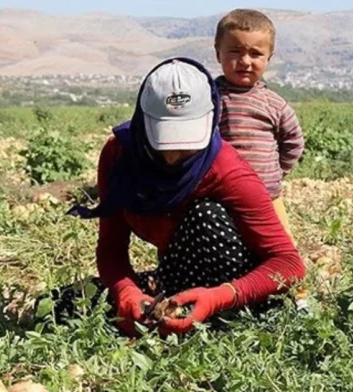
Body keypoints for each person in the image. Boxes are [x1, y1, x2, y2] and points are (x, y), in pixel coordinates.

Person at [65, 57, 305, 337]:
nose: (173, 157)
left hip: (237, 286)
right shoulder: (120, 156)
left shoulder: (226, 169)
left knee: (206, 215)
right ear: (143, 123)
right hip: (178, 276)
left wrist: (220, 296)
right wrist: (127, 292)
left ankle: (216, 322)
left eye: (186, 146)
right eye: (163, 142)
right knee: (68, 305)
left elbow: (289, 264)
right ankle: (173, 314)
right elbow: (111, 247)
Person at [213, 9, 305, 238]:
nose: (245, 61)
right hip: (220, 197)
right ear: (218, 53)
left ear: (268, 59)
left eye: (255, 54)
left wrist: (277, 172)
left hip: (267, 196)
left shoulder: (274, 104)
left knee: (282, 252)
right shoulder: (209, 97)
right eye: (235, 52)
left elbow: (293, 141)